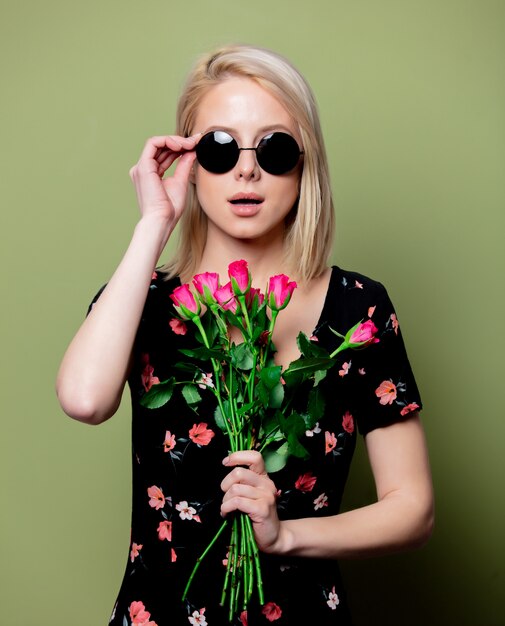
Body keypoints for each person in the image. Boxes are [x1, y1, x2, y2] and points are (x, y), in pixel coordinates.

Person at [56, 44, 434, 626]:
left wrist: (285, 537)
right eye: (219, 147)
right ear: (188, 160)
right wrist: (155, 224)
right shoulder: (146, 300)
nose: (247, 169)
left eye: (276, 148)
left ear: (306, 163)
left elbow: (412, 509)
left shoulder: (359, 309)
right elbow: (84, 399)